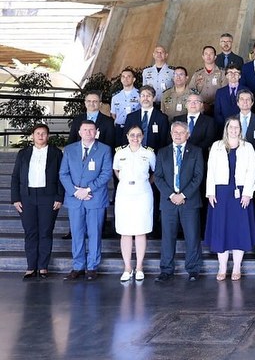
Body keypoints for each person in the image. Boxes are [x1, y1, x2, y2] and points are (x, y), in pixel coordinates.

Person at [204, 117, 255, 281]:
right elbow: (210, 170)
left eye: (237, 127)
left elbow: (252, 171)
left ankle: (236, 268)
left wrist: (248, 192)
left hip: (241, 192)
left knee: (239, 230)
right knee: (221, 229)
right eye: (231, 127)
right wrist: (211, 192)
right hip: (221, 192)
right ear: (226, 129)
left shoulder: (247, 147)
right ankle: (222, 267)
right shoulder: (217, 146)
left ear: (240, 130)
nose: (234, 130)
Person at [59, 120, 113, 281]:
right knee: (76, 233)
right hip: (75, 198)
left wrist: (87, 189)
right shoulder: (69, 150)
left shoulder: (104, 149)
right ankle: (78, 266)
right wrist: (76, 191)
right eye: (85, 129)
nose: (88, 132)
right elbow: (63, 173)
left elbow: (106, 173)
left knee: (94, 233)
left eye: (91, 130)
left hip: (95, 198)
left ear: (96, 132)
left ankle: (92, 267)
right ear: (79, 132)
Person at [11, 124, 64, 280]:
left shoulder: (56, 153)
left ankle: (43, 267)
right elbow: (15, 177)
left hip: (48, 196)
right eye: (38, 133)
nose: (41, 136)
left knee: (46, 232)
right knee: (30, 232)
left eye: (44, 133)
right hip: (27, 197)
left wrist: (59, 197)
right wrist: (15, 198)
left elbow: (62, 176)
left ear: (48, 136)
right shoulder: (23, 153)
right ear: (32, 136)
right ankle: (31, 267)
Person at [154, 121, 205, 282]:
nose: (177, 135)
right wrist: (171, 194)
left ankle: (193, 269)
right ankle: (166, 270)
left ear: (187, 135)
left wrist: (183, 195)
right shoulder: (162, 153)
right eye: (175, 132)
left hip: (189, 201)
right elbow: (158, 177)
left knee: (192, 236)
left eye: (181, 132)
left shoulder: (196, 152)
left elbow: (198, 177)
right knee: (168, 237)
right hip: (168, 202)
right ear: (170, 134)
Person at [112, 126, 156, 282]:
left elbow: (155, 173)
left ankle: (139, 267)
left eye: (138, 135)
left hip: (143, 192)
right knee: (125, 231)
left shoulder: (148, 153)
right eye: (132, 135)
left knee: (140, 230)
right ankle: (127, 268)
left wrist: (143, 183)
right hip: (124, 193)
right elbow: (116, 171)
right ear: (127, 136)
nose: (135, 138)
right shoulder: (120, 153)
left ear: (143, 136)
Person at [190, 45, 226, 115]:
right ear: (203, 57)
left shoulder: (222, 73)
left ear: (215, 57)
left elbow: (225, 91)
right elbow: (191, 89)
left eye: (211, 54)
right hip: (200, 108)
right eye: (206, 54)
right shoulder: (197, 74)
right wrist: (201, 103)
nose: (208, 56)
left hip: (218, 107)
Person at [110, 68, 140, 141]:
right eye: (123, 76)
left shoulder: (140, 95)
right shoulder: (115, 97)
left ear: (134, 79)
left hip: (134, 129)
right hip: (119, 129)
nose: (125, 79)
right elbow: (113, 114)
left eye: (128, 76)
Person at [214, 65, 246, 129]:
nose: (233, 75)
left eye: (236, 73)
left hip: (242, 126)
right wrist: (226, 126)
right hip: (223, 127)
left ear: (240, 76)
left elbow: (248, 111)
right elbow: (217, 113)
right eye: (230, 72)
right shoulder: (220, 92)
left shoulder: (246, 91)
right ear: (226, 75)